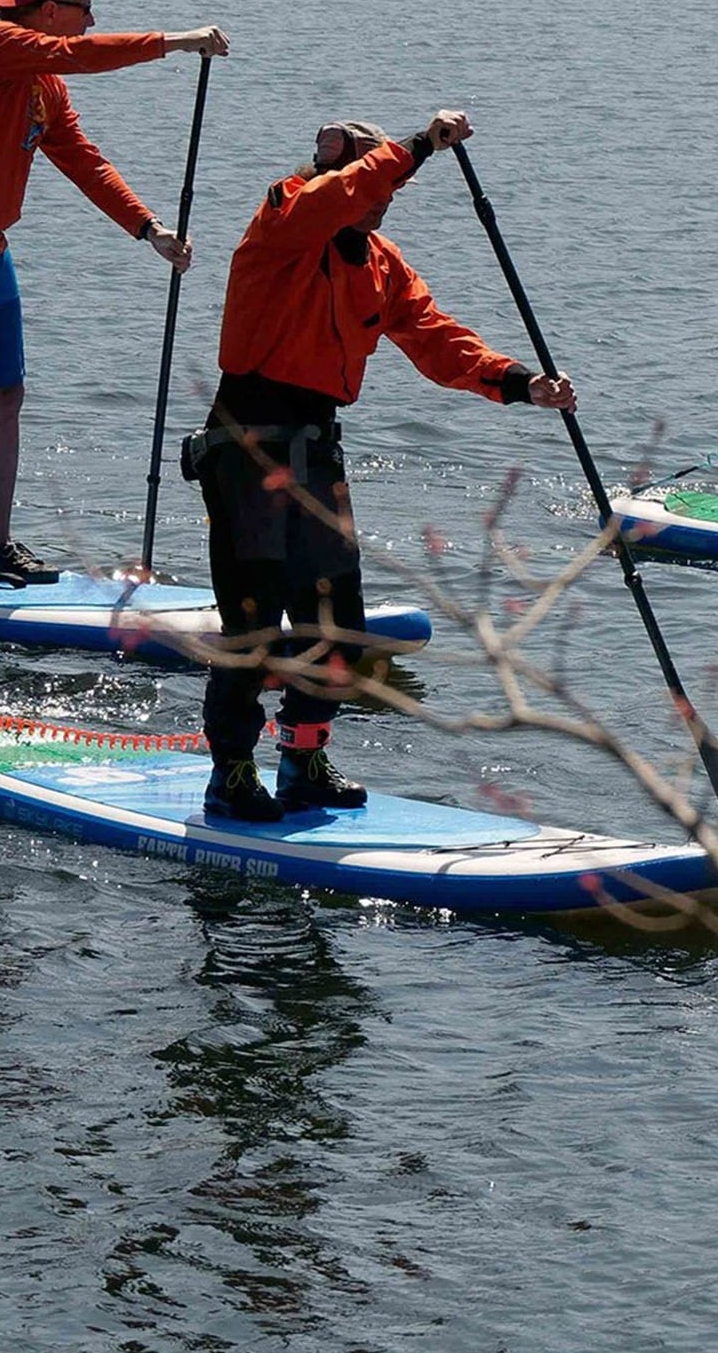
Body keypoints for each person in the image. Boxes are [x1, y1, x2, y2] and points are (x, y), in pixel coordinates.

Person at [187, 109, 575, 822]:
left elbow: (437, 340)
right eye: (375, 186)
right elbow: (335, 195)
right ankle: (232, 772)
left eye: (389, 191)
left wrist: (522, 383)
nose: (383, 200)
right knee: (256, 619)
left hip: (315, 448)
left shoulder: (382, 263)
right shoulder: (283, 216)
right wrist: (421, 145)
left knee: (336, 620)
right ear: (337, 178)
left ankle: (303, 760)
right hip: (245, 445)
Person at [0, 0, 230, 596]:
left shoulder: (46, 86)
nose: (91, 22)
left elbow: (83, 161)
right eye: (83, 11)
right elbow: (84, 54)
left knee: (5, 397)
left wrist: (148, 229)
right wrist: (176, 43)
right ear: (49, 12)